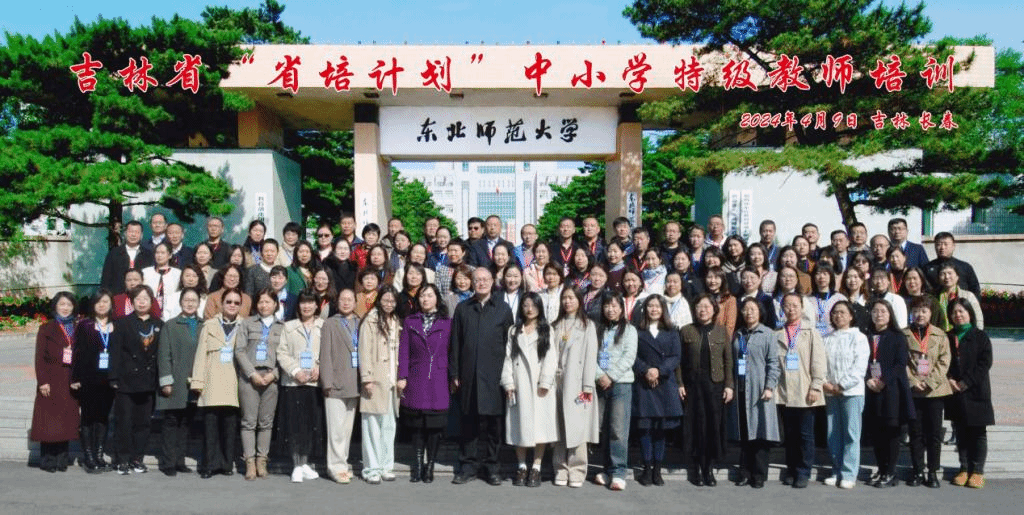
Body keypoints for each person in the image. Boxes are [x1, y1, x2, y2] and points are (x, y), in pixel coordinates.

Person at [449, 268, 515, 486]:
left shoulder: (503, 309)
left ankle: (491, 467)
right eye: (477, 280)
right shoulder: (463, 308)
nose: (481, 283)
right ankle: (467, 466)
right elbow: (455, 343)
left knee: (494, 426)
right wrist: (455, 373)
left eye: (485, 279)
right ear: (472, 282)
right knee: (469, 424)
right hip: (468, 375)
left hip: (494, 376)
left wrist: (509, 376)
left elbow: (510, 345)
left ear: (493, 281)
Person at [501, 292, 558, 488]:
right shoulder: (514, 330)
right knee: (519, 425)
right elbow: (508, 357)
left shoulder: (547, 329)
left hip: (539, 385)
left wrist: (546, 381)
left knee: (541, 427)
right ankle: (522, 466)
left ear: (540, 307)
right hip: (519, 383)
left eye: (533, 305)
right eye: (525, 305)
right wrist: (508, 382)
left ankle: (537, 467)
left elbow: (551, 357)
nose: (529, 309)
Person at [678, 294, 734, 487]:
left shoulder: (721, 331)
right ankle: (696, 468)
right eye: (699, 307)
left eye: (707, 306)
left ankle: (708, 469)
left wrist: (729, 385)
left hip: (714, 386)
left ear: (714, 309)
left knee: (712, 427)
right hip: (692, 387)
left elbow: (728, 360)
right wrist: (680, 383)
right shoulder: (686, 331)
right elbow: (679, 361)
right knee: (695, 427)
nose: (703, 310)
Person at [398, 284, 451, 483]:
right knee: (417, 424)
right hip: (416, 376)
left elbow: (452, 350)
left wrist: (453, 376)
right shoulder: (410, 321)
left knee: (435, 425)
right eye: (422, 296)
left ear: (437, 298)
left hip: (439, 376)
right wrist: (402, 376)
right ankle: (418, 464)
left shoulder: (447, 322)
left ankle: (430, 466)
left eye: (429, 295)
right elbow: (404, 351)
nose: (425, 299)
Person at [108, 285, 162, 475]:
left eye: (145, 298)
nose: (142, 302)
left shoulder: (159, 324)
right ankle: (122, 459)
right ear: (132, 302)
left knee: (143, 423)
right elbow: (115, 352)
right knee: (124, 422)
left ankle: (137, 458)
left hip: (148, 381)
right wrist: (113, 377)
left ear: (151, 301)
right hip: (126, 381)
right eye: (138, 298)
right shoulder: (122, 323)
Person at [727, 298, 780, 489]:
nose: (749, 312)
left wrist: (769, 386)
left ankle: (759, 474)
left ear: (760, 312)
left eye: (753, 309)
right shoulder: (738, 334)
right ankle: (744, 472)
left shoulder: (768, 334)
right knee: (744, 433)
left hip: (759, 389)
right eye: (746, 309)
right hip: (741, 389)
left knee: (760, 433)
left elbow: (773, 363)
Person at [775, 293, 826, 489]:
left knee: (805, 435)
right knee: (790, 435)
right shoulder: (777, 333)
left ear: (802, 308)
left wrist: (816, 386)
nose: (791, 309)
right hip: (784, 392)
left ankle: (803, 471)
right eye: (787, 306)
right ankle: (791, 469)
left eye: (795, 305)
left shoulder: (811, 332)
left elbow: (818, 362)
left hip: (805, 390)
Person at [190, 288, 242, 478]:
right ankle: (209, 465)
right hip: (212, 381)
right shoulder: (210, 325)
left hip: (233, 382)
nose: (232, 305)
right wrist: (198, 381)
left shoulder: (244, 326)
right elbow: (200, 355)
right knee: (210, 428)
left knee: (229, 427)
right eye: (229, 301)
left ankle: (226, 464)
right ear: (221, 303)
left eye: (236, 303)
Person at [631, 295, 683, 486]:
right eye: (650, 306)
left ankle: (657, 470)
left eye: (657, 306)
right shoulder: (637, 331)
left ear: (663, 310)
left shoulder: (671, 331)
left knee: (660, 430)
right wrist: (646, 370)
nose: (654, 309)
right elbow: (633, 355)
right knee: (645, 429)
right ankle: (646, 468)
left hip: (664, 383)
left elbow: (675, 356)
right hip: (644, 383)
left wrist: (659, 371)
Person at [551, 288, 600, 488]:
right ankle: (560, 469)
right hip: (558, 383)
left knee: (578, 427)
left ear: (579, 300)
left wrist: (588, 385)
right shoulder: (556, 325)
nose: (567, 301)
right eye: (564, 298)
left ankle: (577, 470)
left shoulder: (587, 326)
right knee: (559, 427)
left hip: (579, 384)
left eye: (571, 298)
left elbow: (591, 356)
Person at [863, 299, 915, 488]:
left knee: (891, 433)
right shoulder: (866, 336)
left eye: (883, 311)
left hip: (892, 391)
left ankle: (891, 472)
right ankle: (881, 469)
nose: (879, 315)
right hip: (872, 390)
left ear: (890, 314)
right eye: (875, 311)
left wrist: (883, 381)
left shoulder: (897, 337)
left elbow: (900, 364)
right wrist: (868, 379)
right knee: (877, 433)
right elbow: (862, 361)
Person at [235, 288, 284, 481]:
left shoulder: (282, 327)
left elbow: (286, 354)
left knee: (266, 423)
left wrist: (274, 374)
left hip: (271, 377)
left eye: (268, 302)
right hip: (250, 377)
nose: (264, 305)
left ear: (275, 304)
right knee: (248, 421)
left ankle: (262, 460)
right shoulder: (247, 323)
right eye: (261, 302)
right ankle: (249, 461)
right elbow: (239, 350)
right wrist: (252, 373)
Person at [278, 291, 326, 483]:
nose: (307, 306)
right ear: (298, 306)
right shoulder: (288, 327)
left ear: (316, 306)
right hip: (293, 382)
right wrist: (295, 371)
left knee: (311, 424)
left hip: (314, 382)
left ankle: (305, 462)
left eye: (310, 303)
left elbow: (328, 351)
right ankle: (296, 465)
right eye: (303, 303)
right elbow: (282, 352)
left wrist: (320, 366)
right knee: (295, 425)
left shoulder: (323, 326)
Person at [904, 296, 952, 488]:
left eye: (924, 311)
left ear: (931, 313)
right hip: (914, 391)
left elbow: (944, 361)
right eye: (916, 311)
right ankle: (917, 471)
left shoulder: (940, 335)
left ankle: (932, 472)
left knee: (934, 434)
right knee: (915, 433)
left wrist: (930, 382)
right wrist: (913, 381)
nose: (920, 314)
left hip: (935, 392)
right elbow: (901, 362)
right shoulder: (904, 334)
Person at [821, 300, 870, 490]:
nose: (838, 315)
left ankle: (849, 473)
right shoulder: (826, 338)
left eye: (842, 312)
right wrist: (826, 383)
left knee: (851, 433)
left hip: (852, 393)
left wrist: (841, 385)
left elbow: (859, 367)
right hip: (830, 392)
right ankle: (836, 471)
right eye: (835, 312)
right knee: (833, 434)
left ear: (851, 316)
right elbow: (819, 364)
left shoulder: (859, 338)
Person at [946, 298, 994, 489]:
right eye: (954, 312)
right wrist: (949, 379)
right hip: (955, 391)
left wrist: (967, 382)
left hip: (976, 391)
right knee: (961, 432)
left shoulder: (980, 336)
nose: (958, 315)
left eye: (961, 311)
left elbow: (985, 363)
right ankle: (964, 468)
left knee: (978, 433)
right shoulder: (948, 336)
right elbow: (943, 361)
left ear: (969, 313)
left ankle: (978, 471)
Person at [592, 293, 638, 491]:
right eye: (607, 306)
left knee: (618, 430)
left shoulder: (629, 330)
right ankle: (606, 470)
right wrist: (599, 375)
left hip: (620, 384)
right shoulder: (598, 329)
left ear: (621, 308)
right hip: (600, 383)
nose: (610, 310)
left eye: (614, 306)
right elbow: (591, 354)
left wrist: (610, 376)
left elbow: (629, 357)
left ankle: (619, 472)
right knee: (603, 428)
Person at [31, 292, 81, 473]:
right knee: (49, 422)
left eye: (69, 304)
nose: (65, 308)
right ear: (55, 306)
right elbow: (40, 358)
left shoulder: (78, 328)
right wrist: (42, 381)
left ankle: (62, 460)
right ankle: (48, 460)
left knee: (66, 421)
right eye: (62, 304)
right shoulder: (46, 328)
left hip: (70, 380)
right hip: (51, 379)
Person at [155, 288, 202, 477]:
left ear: (198, 303)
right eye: (186, 300)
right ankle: (168, 462)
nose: (190, 303)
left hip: (194, 382)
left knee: (186, 423)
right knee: (171, 422)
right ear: (181, 302)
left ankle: (180, 461)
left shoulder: (203, 325)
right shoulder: (170, 325)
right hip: (175, 381)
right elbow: (163, 355)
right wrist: (166, 381)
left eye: (193, 300)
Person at [359, 286, 402, 484]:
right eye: (385, 300)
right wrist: (366, 378)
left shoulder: (396, 320)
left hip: (391, 381)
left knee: (388, 427)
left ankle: (386, 466)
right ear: (379, 300)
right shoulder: (370, 320)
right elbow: (364, 350)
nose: (389, 304)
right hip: (375, 379)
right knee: (372, 427)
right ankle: (371, 468)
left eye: (392, 301)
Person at [70, 290, 116, 473]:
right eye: (98, 302)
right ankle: (88, 457)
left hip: (108, 380)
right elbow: (77, 352)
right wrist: (75, 377)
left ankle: (99, 455)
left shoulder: (116, 325)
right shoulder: (85, 325)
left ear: (111, 304)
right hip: (88, 379)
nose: (102, 305)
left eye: (105, 301)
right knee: (88, 418)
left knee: (103, 418)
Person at [319, 289, 361, 484]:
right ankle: (335, 467)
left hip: (354, 382)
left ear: (355, 302)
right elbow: (325, 354)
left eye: (349, 299)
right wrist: (326, 381)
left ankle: (342, 463)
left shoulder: (360, 323)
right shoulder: (330, 323)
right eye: (342, 299)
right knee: (335, 429)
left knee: (346, 429)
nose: (346, 302)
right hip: (335, 382)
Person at [924, 233, 981, 297]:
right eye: (938, 244)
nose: (942, 247)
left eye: (946, 244)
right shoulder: (927, 268)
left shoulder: (965, 267)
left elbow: (975, 290)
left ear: (953, 246)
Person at [936, 263, 985, 332]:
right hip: (942, 335)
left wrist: (978, 334)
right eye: (943, 274)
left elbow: (978, 318)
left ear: (957, 277)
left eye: (950, 273)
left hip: (966, 334)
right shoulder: (935, 297)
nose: (946, 277)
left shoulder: (968, 296)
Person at [142, 242, 181, 319]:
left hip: (171, 315)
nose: (159, 255)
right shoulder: (145, 272)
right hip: (149, 314)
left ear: (170, 255)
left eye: (163, 253)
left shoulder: (178, 274)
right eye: (157, 253)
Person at [810, 265, 846, 338]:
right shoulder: (807, 299)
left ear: (831, 276)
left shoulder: (840, 298)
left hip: (835, 338)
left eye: (825, 274)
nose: (821, 277)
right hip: (813, 338)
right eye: (818, 273)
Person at [703, 267, 737, 338]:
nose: (712, 281)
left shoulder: (729, 299)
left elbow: (730, 326)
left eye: (716, 277)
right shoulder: (702, 298)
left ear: (722, 280)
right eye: (709, 277)